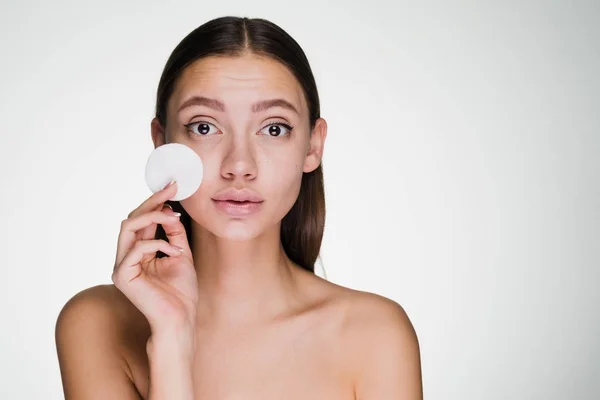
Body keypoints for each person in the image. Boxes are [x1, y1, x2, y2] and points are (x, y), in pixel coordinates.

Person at [55, 16, 423, 399]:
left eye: (274, 128)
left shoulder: (376, 335)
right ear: (162, 143)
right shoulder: (96, 323)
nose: (239, 166)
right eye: (204, 126)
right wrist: (171, 342)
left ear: (313, 147)